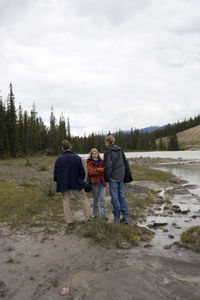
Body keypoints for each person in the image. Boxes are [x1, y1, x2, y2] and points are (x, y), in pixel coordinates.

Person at [54, 140, 91, 227]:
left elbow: (56, 174)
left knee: (66, 201)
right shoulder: (77, 157)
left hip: (64, 184)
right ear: (70, 147)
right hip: (76, 183)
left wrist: (59, 181)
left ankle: (69, 222)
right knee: (83, 200)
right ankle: (89, 218)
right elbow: (82, 172)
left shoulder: (59, 159)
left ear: (62, 148)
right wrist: (80, 180)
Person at [103, 135, 131, 224]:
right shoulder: (120, 150)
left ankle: (116, 217)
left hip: (113, 178)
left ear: (108, 142)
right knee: (122, 196)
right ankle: (126, 217)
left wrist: (106, 178)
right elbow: (126, 162)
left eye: (105, 142)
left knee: (114, 197)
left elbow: (108, 166)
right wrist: (126, 175)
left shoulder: (108, 152)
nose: (105, 144)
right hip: (121, 177)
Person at [87, 148, 107, 218]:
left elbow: (105, 170)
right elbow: (91, 172)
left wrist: (97, 170)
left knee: (103, 199)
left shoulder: (102, 161)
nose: (94, 155)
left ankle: (103, 216)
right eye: (93, 154)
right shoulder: (89, 162)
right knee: (95, 199)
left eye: (95, 154)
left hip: (102, 183)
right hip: (95, 183)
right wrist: (100, 171)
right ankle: (96, 215)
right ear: (91, 155)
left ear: (98, 154)